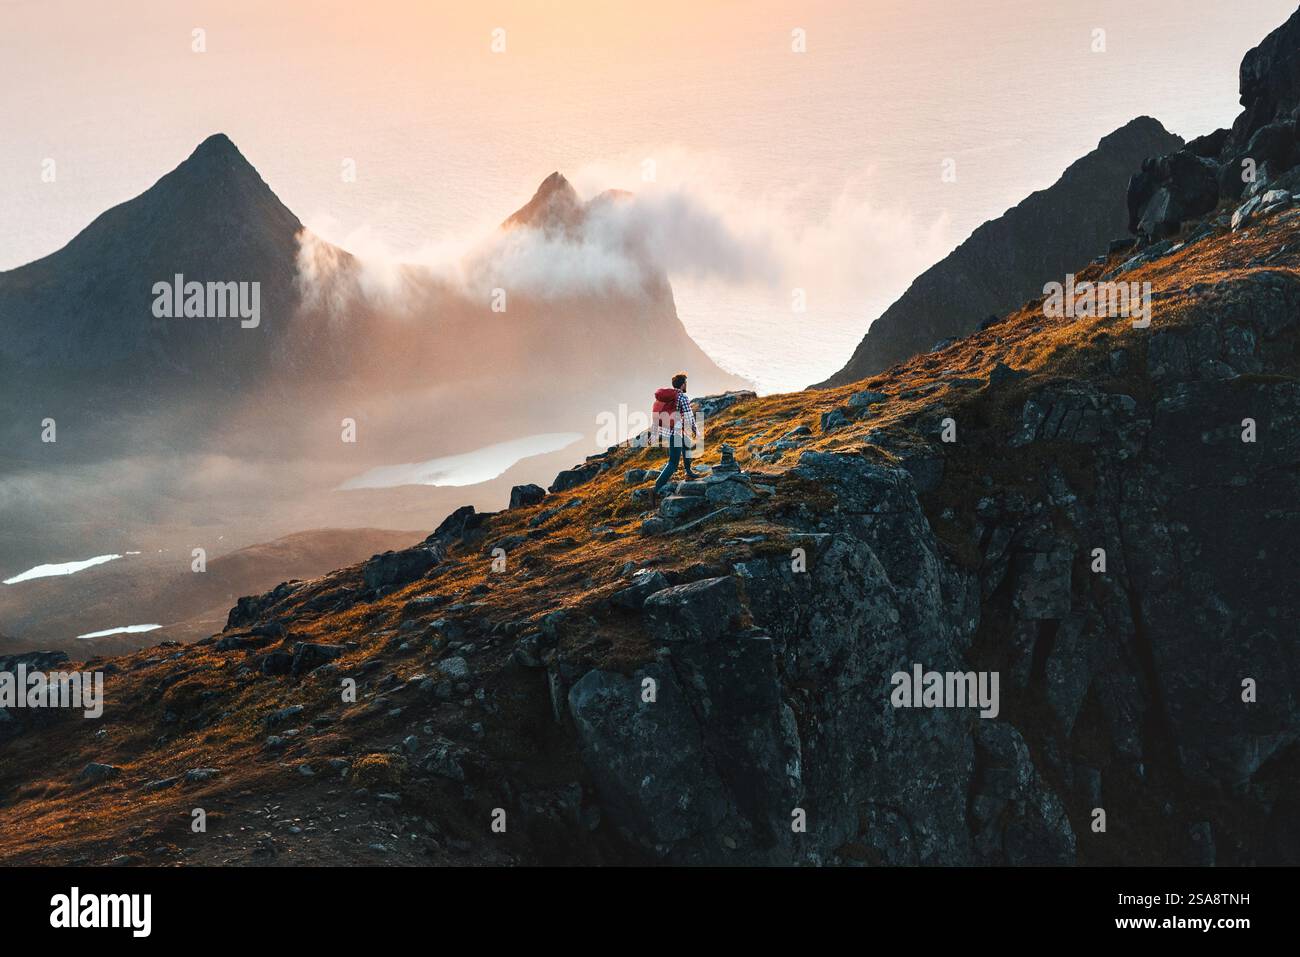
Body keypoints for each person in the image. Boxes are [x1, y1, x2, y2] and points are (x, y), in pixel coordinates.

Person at [650, 372, 700, 504]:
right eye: (686, 383)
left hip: (673, 431)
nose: (686, 385)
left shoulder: (668, 397)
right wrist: (695, 430)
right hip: (676, 433)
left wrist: (654, 432)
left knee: (687, 445)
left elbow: (656, 414)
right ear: (683, 384)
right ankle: (656, 488)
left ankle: (689, 471)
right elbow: (689, 417)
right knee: (673, 463)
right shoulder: (682, 397)